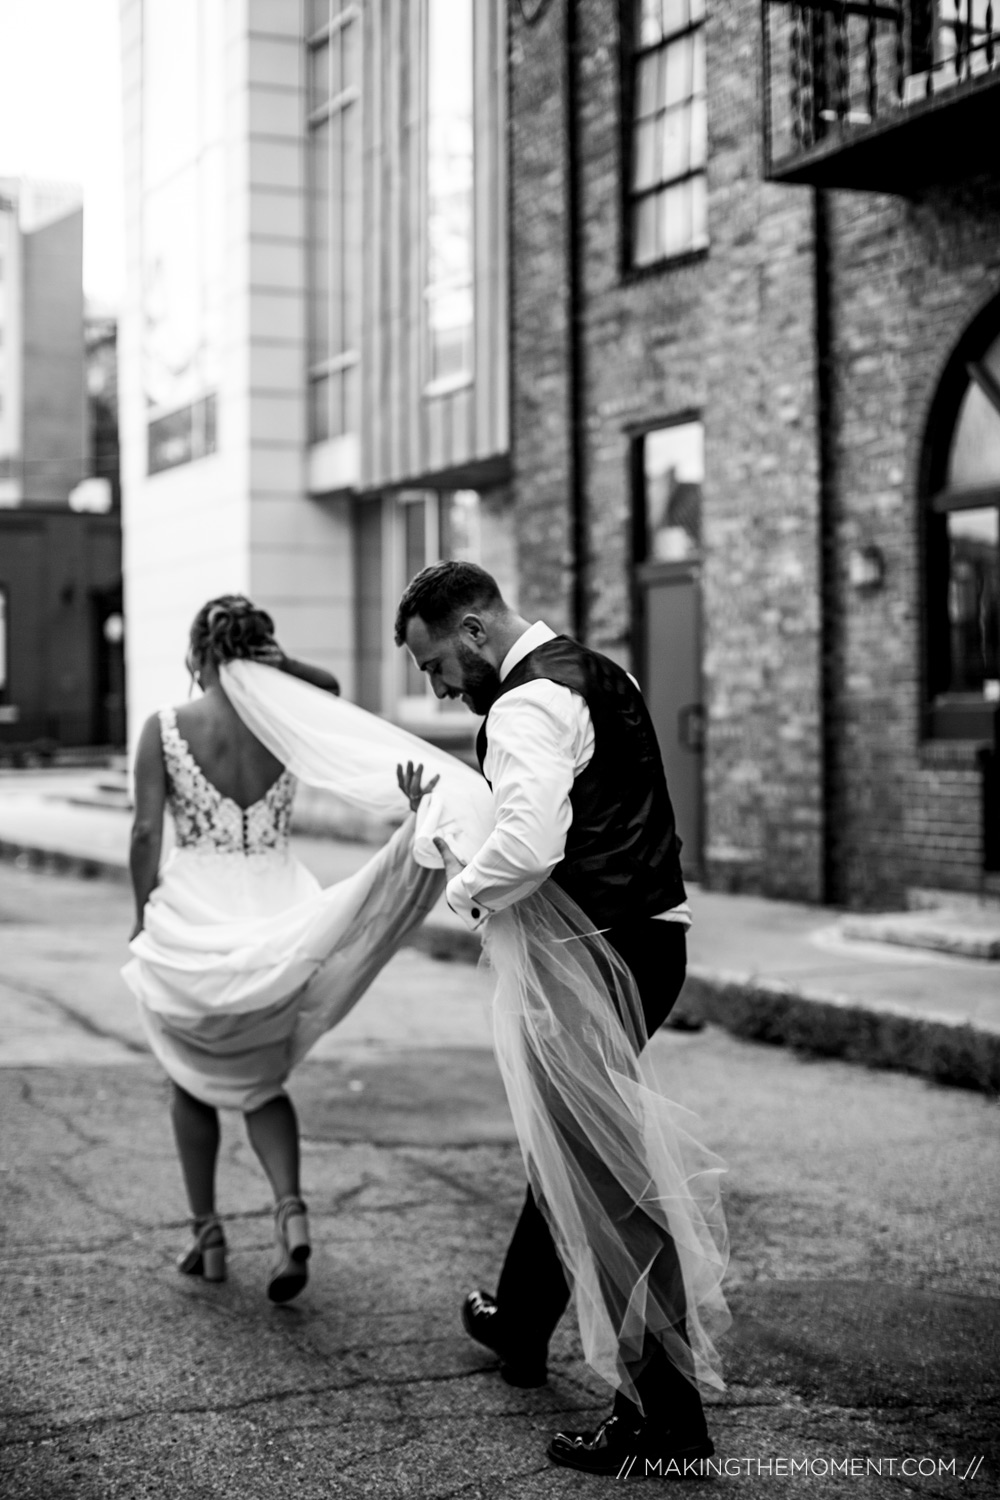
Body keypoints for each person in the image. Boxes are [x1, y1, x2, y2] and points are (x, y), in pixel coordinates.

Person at [395, 560, 727, 1478]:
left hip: (596, 956)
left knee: (611, 1191)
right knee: (581, 1157)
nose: (438, 685)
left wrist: (462, 893)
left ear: (471, 630)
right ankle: (525, 1321)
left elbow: (531, 842)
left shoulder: (526, 704)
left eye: (434, 665)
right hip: (649, 938)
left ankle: (666, 1422)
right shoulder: (591, 671)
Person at [124, 595, 444, 1303]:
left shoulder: (165, 727)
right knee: (261, 1078)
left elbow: (147, 833)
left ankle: (206, 1233)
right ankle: (290, 1215)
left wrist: (139, 916)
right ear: (261, 653)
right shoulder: (284, 717)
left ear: (195, 653)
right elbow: (327, 693)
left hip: (194, 914)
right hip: (279, 912)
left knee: (190, 1075)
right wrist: (280, 668)